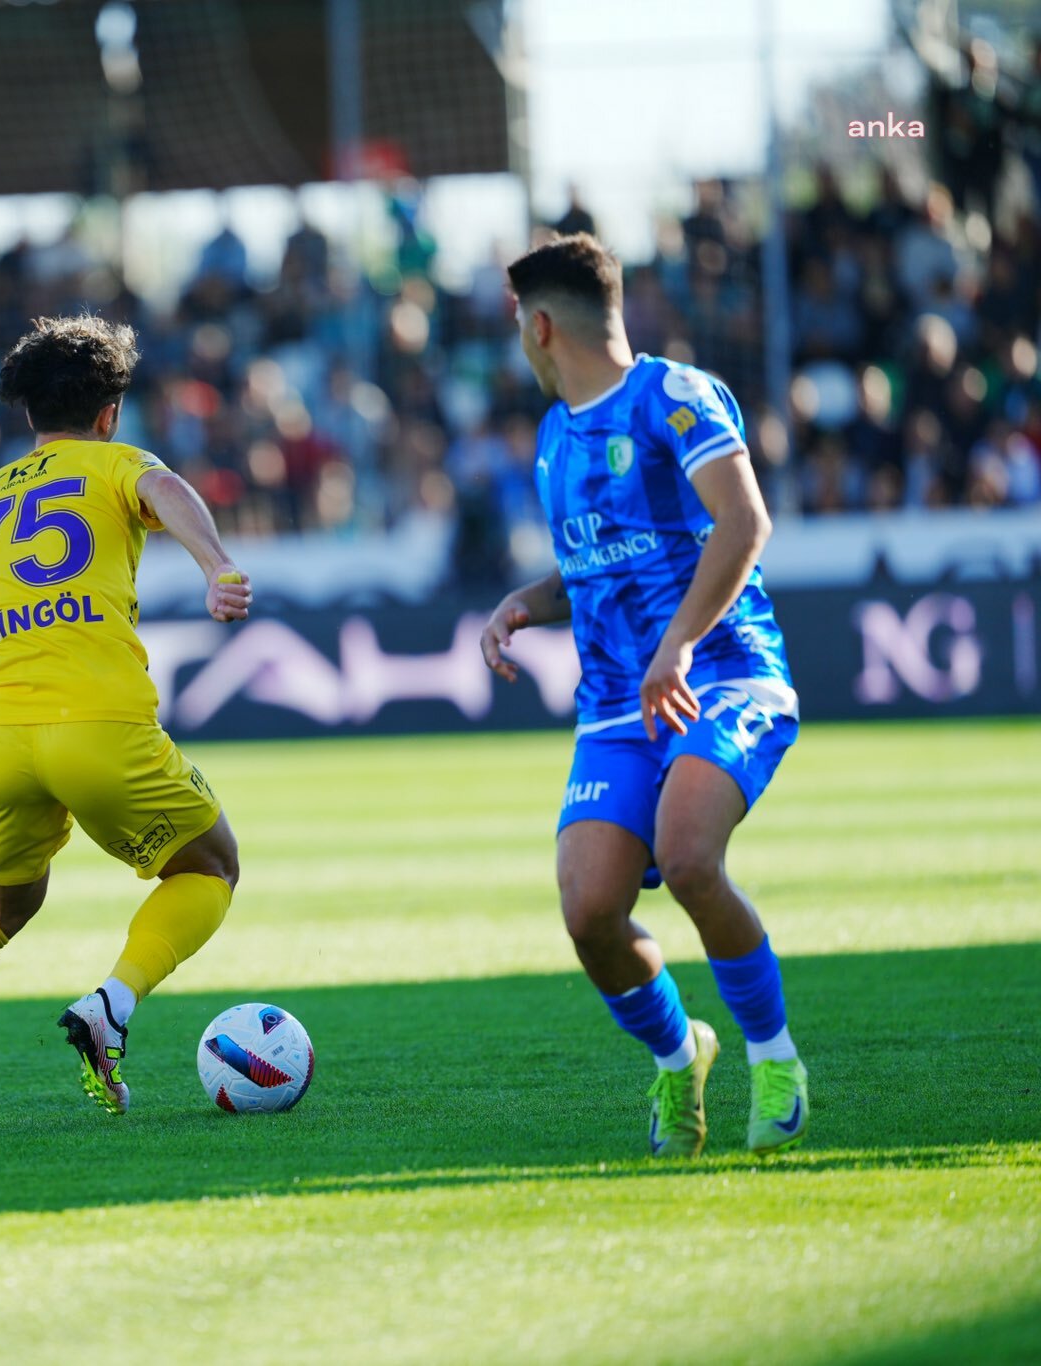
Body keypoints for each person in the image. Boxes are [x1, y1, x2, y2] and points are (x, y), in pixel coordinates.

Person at [0, 315, 252, 1128]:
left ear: (25, 414)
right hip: (102, 726)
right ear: (110, 412)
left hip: (0, 745)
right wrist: (218, 565)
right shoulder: (115, 463)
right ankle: (115, 1000)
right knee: (210, 866)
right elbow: (166, 489)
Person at [481, 235, 809, 1158]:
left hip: (725, 674)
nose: (520, 344)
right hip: (618, 711)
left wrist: (679, 645)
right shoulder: (554, 436)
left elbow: (744, 522)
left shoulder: (676, 396)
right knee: (589, 911)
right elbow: (594, 562)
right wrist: (525, 604)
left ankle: (775, 1055)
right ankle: (679, 1057)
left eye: (518, 327)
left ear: (541, 326)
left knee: (688, 854)